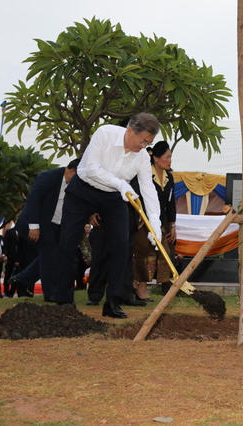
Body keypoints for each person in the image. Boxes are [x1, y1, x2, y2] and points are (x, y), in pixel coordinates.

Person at [54, 112, 163, 319]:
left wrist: (155, 224)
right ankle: (64, 302)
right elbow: (92, 170)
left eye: (148, 143)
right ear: (130, 131)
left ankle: (112, 302)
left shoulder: (141, 156)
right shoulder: (104, 134)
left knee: (122, 247)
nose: (144, 146)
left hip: (113, 198)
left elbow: (148, 190)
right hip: (82, 192)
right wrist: (122, 184)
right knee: (67, 243)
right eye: (143, 141)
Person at [9, 159, 80, 300]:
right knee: (49, 256)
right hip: (38, 223)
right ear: (72, 171)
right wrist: (34, 226)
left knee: (54, 255)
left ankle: (21, 280)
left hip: (58, 225)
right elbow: (33, 201)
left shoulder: (76, 185)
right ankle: (50, 293)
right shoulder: (48, 177)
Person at [131, 141, 177, 302]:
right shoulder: (144, 174)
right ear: (156, 158)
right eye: (167, 157)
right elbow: (136, 196)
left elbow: (171, 204)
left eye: (171, 157)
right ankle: (140, 287)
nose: (170, 160)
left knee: (164, 253)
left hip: (161, 223)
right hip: (143, 221)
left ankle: (140, 284)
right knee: (143, 253)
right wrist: (139, 216)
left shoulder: (169, 178)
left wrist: (172, 224)